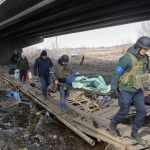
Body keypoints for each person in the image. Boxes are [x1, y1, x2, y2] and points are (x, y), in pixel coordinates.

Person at [109, 36, 150, 145]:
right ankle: (112, 124)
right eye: (144, 49)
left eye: (147, 49)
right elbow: (116, 74)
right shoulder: (126, 59)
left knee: (142, 111)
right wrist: (113, 89)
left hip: (138, 90)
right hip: (125, 90)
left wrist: (147, 85)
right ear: (138, 47)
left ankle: (134, 132)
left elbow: (145, 72)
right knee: (124, 112)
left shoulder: (145, 58)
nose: (146, 51)